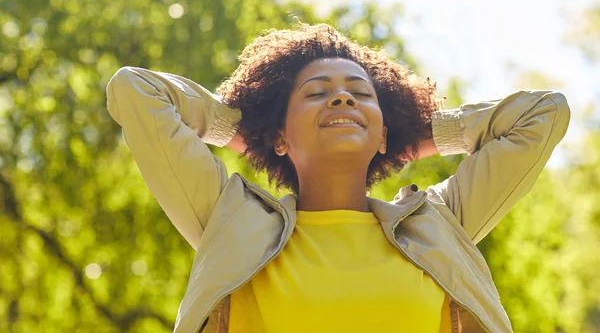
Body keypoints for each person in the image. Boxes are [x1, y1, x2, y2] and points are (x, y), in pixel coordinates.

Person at [106, 22, 570, 333]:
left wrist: (413, 138)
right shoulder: (229, 220)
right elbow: (136, 91)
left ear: (383, 130)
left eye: (359, 94)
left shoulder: (442, 223)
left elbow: (544, 113)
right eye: (318, 93)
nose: (343, 99)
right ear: (281, 135)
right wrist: (239, 131)